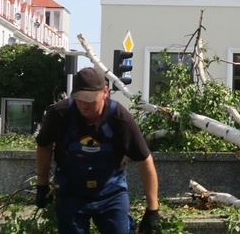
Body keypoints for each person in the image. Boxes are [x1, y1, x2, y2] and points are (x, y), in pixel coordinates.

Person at [35, 67, 160, 233]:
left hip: (111, 193)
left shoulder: (120, 118)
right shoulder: (60, 114)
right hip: (71, 192)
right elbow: (43, 145)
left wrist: (152, 209)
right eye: (79, 98)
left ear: (105, 92)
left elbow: (144, 160)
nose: (84, 104)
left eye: (89, 98)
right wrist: (41, 184)